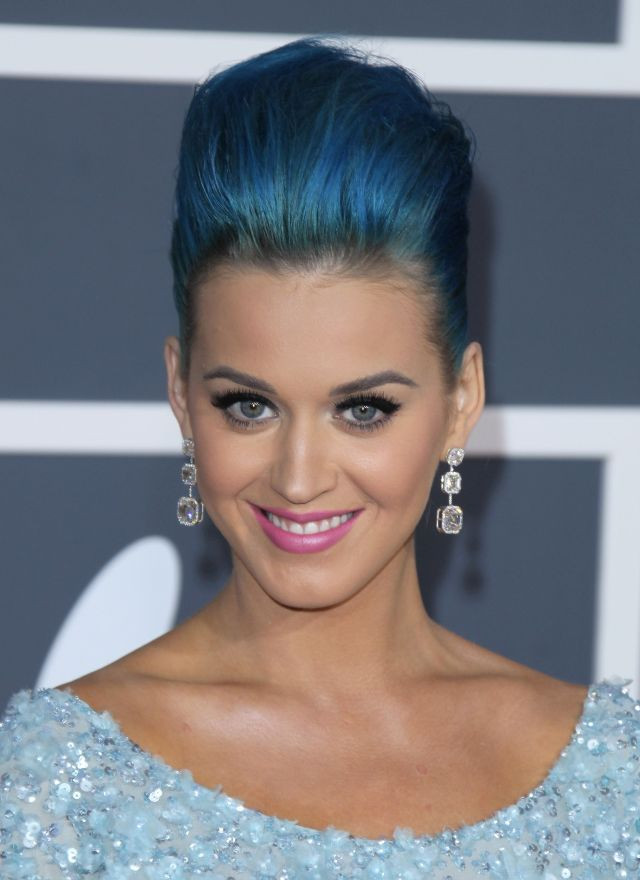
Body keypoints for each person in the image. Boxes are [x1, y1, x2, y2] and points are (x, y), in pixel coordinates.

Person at [0, 35, 637, 880]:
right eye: (248, 406)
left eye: (363, 410)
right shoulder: (48, 789)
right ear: (181, 392)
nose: (299, 478)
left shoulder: (614, 777)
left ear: (461, 401)